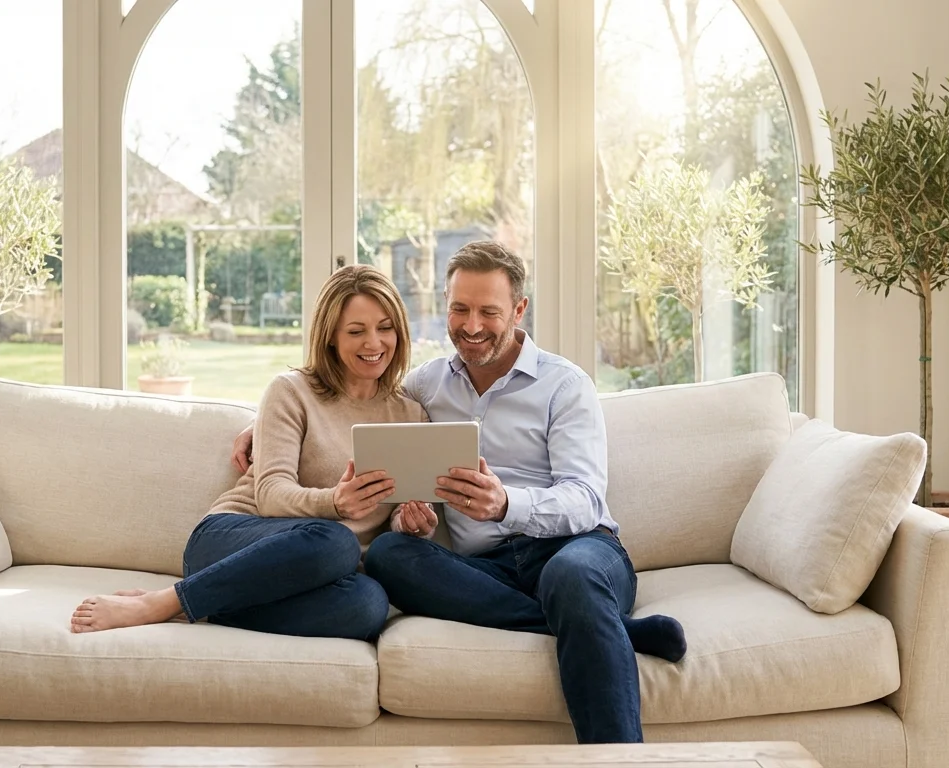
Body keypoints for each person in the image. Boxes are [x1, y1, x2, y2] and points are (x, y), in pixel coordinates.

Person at [229, 241, 686, 744]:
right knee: (389, 555)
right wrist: (262, 426)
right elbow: (352, 397)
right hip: (483, 570)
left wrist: (506, 504)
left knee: (571, 577)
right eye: (459, 309)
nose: (471, 326)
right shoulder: (426, 385)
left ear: (518, 309)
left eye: (489, 312)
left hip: (577, 550)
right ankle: (600, 626)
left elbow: (585, 499)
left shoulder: (564, 385)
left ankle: (617, 755)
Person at [71, 265, 425, 641]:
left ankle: (204, 605)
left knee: (368, 604)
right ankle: (162, 603)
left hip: (310, 573)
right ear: (330, 338)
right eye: (356, 331)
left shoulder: (410, 414)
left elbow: (396, 514)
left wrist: (411, 522)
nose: (374, 343)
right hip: (230, 541)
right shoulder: (292, 391)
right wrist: (335, 503)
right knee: (337, 541)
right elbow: (270, 494)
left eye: (385, 328)